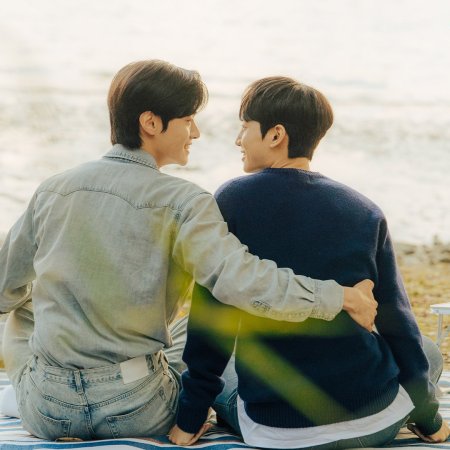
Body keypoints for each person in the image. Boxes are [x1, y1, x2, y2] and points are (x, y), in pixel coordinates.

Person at [0, 61, 377, 440]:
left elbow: (4, 288)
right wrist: (338, 296)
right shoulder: (186, 202)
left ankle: (27, 393)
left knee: (24, 308)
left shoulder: (53, 189)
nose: (195, 132)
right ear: (151, 122)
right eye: (188, 120)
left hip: (47, 410)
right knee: (210, 334)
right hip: (137, 408)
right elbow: (241, 281)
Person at [169, 76, 450, 449]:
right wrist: (430, 419)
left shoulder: (232, 200)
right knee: (427, 352)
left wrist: (189, 419)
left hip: (280, 433)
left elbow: (211, 324)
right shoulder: (365, 210)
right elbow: (399, 324)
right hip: (373, 420)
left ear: (276, 135)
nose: (238, 140)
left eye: (245, 127)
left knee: (225, 373)